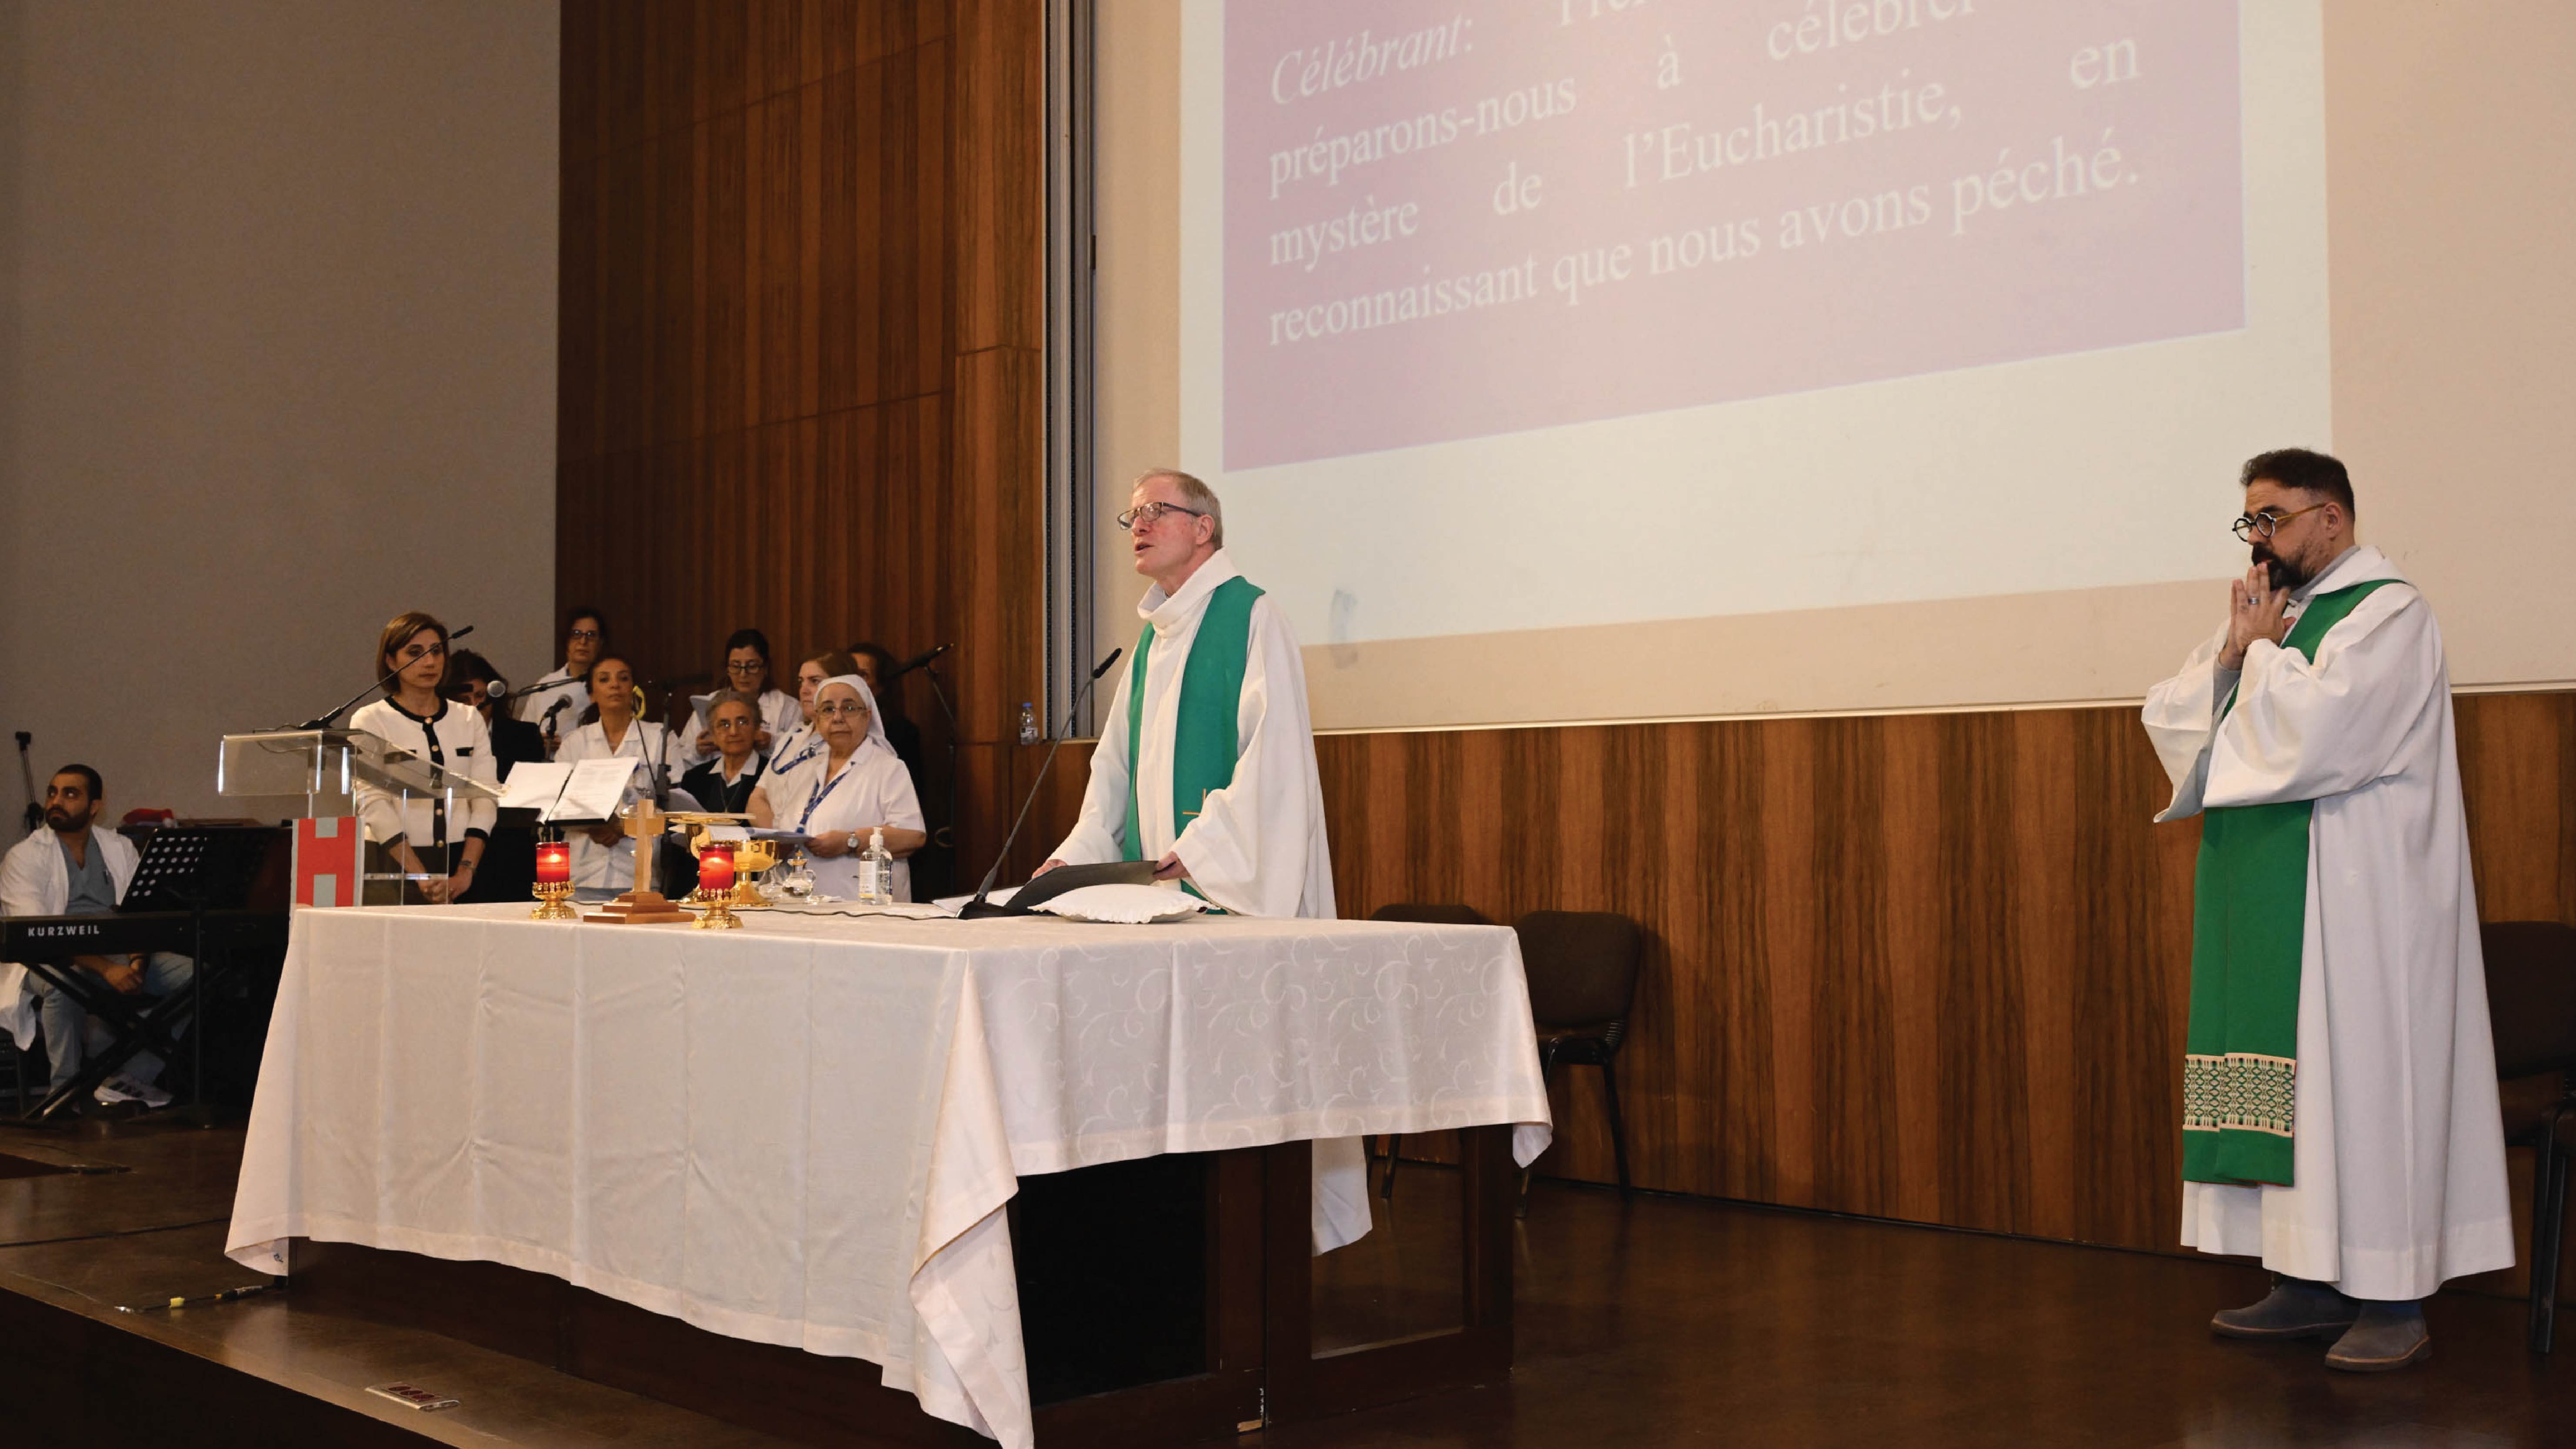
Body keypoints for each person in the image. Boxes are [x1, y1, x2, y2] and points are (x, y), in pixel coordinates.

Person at [2141, 448, 2510, 1372]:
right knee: (2300, 1093)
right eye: (2250, 521)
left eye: (2271, 518)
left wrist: (2260, 653)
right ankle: (2304, 1278)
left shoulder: (2388, 613)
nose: (2257, 539)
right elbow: (2178, 712)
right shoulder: (2279, 614)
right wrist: (2235, 653)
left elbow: (2324, 735)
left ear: (2331, 518)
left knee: (2364, 1084)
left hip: (2360, 904)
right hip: (2282, 901)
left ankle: (2393, 1295)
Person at [1036, 469, 1359, 1249]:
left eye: (1157, 511)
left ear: (1204, 528)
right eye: (1133, 516)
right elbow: (1113, 773)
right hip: (1157, 906)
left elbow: (1273, 761)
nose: (1139, 526)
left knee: (1243, 1078)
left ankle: (1252, 1243)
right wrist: (1072, 861)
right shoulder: (1153, 639)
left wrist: (1200, 849)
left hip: (1226, 894)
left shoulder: (1252, 615)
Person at [0, 765, 192, 1109]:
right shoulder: (24, 856)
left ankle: (130, 1077)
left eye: (70, 793)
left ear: (94, 806)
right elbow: (39, 935)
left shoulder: (120, 847)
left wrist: (137, 961)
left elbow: (139, 915)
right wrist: (107, 969)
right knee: (61, 986)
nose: (56, 801)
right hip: (45, 960)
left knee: (197, 975)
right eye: (53, 792)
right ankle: (63, 1095)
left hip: (118, 953)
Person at [352, 611, 497, 904]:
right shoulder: (370, 720)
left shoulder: (469, 718)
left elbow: (485, 795)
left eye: (436, 651)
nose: (430, 662)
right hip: (392, 864)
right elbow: (373, 803)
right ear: (391, 661)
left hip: (462, 864)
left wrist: (466, 870)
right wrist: (420, 875)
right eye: (415, 653)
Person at [748, 675, 924, 901]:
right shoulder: (804, 768)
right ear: (818, 719)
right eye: (828, 710)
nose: (838, 718)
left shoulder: (888, 768)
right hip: (800, 904)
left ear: (867, 716)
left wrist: (850, 842)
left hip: (863, 907)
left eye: (849, 708)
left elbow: (912, 836)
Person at [556, 654, 684, 889]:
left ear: (633, 690)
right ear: (592, 695)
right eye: (604, 680)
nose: (615, 685)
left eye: (623, 679)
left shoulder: (660, 737)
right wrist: (598, 826)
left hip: (639, 869)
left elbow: (675, 804)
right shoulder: (575, 742)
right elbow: (558, 804)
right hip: (583, 869)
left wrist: (624, 826)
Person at [680, 629, 800, 770]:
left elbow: (801, 752)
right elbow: (681, 759)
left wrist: (772, 742)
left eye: (752, 667)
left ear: (765, 668)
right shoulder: (710, 705)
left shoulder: (788, 707)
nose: (743, 674)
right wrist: (698, 752)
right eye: (736, 667)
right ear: (727, 669)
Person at [766, 649, 859, 804]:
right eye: (801, 682)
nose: (804, 690)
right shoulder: (793, 735)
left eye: (815, 681)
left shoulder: (848, 744)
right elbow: (758, 797)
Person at [517, 605, 609, 755]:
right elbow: (523, 739)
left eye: (591, 635)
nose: (583, 641)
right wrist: (538, 742)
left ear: (601, 643)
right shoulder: (545, 686)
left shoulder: (609, 685)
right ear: (567, 641)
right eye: (576, 634)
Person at [444, 647, 548, 780]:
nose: (474, 705)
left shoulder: (526, 736)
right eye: (464, 700)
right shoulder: (439, 735)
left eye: (480, 696)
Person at [678, 691, 770, 814]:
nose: (734, 732)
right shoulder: (693, 779)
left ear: (757, 728)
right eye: (725, 724)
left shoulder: (772, 776)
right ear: (713, 734)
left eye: (742, 722)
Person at [847, 641, 927, 776]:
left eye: (863, 675)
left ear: (882, 685)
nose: (853, 680)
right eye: (848, 673)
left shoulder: (901, 732)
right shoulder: (829, 725)